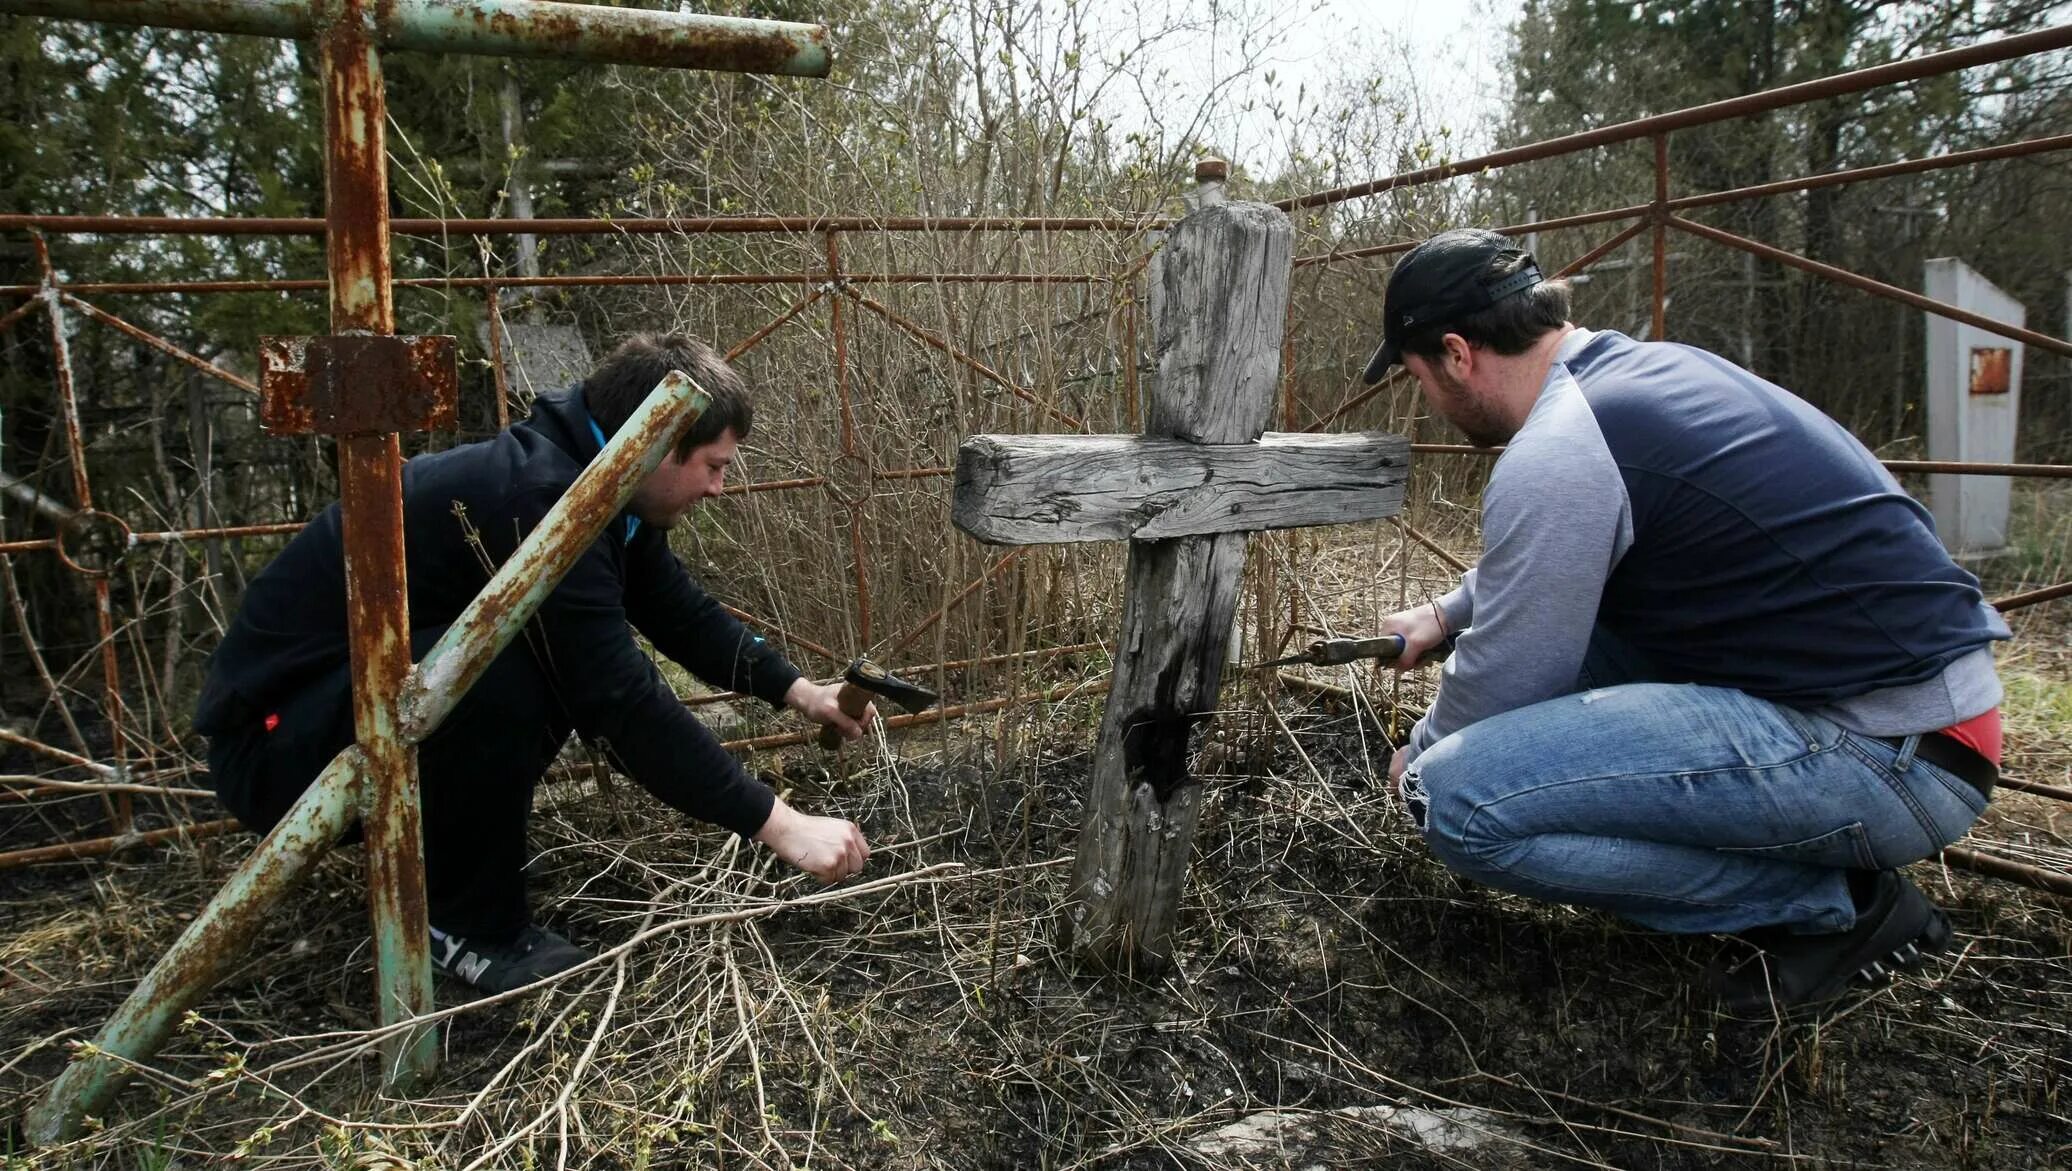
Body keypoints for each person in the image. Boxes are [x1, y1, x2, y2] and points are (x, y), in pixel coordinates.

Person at [1363, 229, 2008, 1016]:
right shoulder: (1639, 375)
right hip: (1924, 717)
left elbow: (1506, 681)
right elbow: (1555, 561)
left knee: (1450, 798)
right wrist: (1447, 613)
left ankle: (1838, 903)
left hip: (1894, 757)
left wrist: (1418, 755)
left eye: (1418, 375)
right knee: (1570, 659)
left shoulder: (1559, 451)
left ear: (1458, 353)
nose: (1425, 398)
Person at [196, 334, 874, 994]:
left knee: (522, 660)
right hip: (277, 750)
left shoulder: (594, 479)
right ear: (661, 446)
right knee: (521, 667)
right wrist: (781, 825)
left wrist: (799, 689)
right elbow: (618, 697)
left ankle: (451, 886)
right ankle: (466, 927)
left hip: (324, 719)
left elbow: (671, 605)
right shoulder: (540, 498)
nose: (720, 488)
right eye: (715, 465)